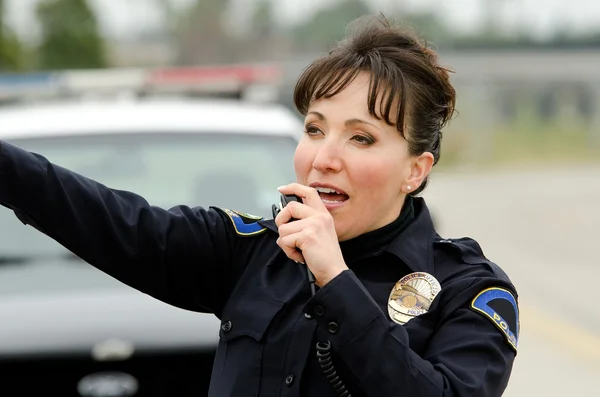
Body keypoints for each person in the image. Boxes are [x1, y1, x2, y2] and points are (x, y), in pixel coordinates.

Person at [0, 14, 519, 397]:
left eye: (361, 138)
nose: (324, 157)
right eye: (315, 129)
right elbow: (107, 218)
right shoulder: (251, 250)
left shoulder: (470, 289)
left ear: (415, 169)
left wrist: (335, 282)